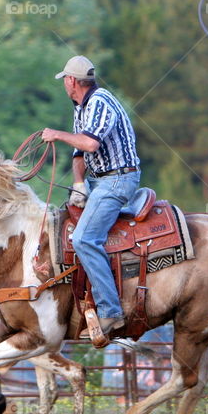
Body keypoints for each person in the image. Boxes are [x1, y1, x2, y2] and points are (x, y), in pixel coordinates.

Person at [41, 55, 140, 339]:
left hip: (118, 179)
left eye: (65, 81)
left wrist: (56, 135)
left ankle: (110, 312)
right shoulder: (81, 107)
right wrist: (78, 183)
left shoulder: (100, 103)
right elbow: (80, 152)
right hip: (99, 180)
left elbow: (89, 142)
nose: (65, 86)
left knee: (84, 238)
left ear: (71, 81)